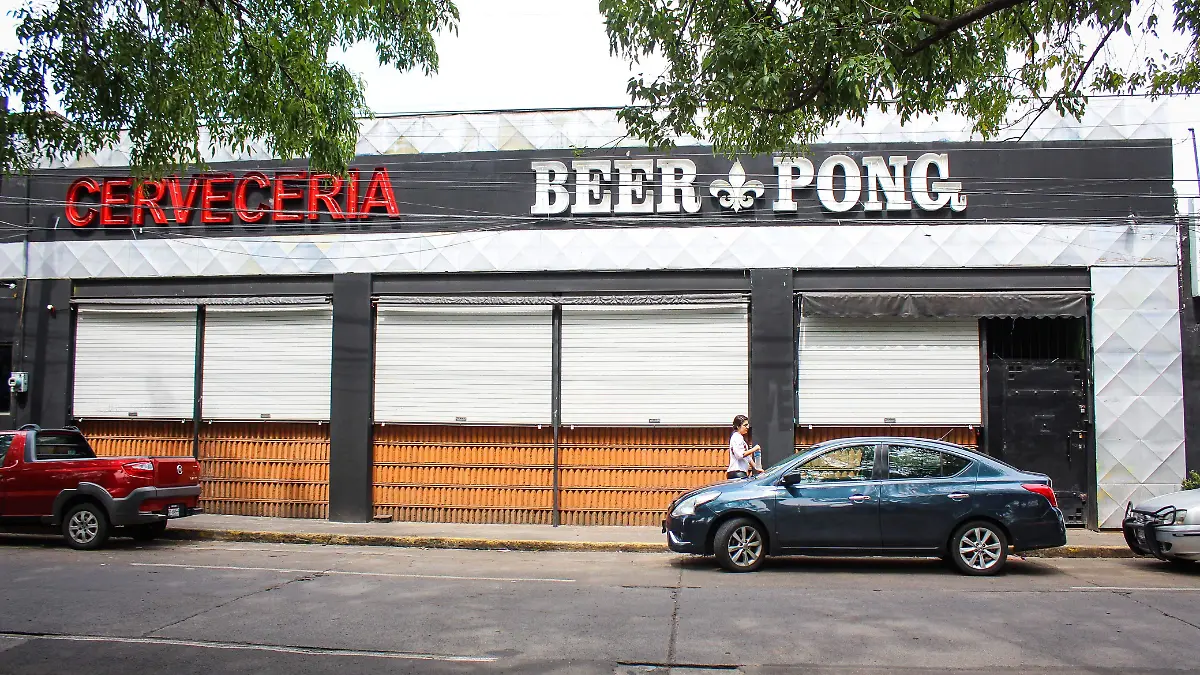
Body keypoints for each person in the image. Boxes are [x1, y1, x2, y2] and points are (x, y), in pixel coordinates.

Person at [728, 415, 761, 479]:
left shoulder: (739, 437)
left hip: (740, 472)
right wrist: (754, 449)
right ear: (738, 426)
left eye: (748, 425)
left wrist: (756, 467)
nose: (747, 427)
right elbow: (740, 455)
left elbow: (747, 457)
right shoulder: (737, 437)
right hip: (737, 472)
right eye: (745, 425)